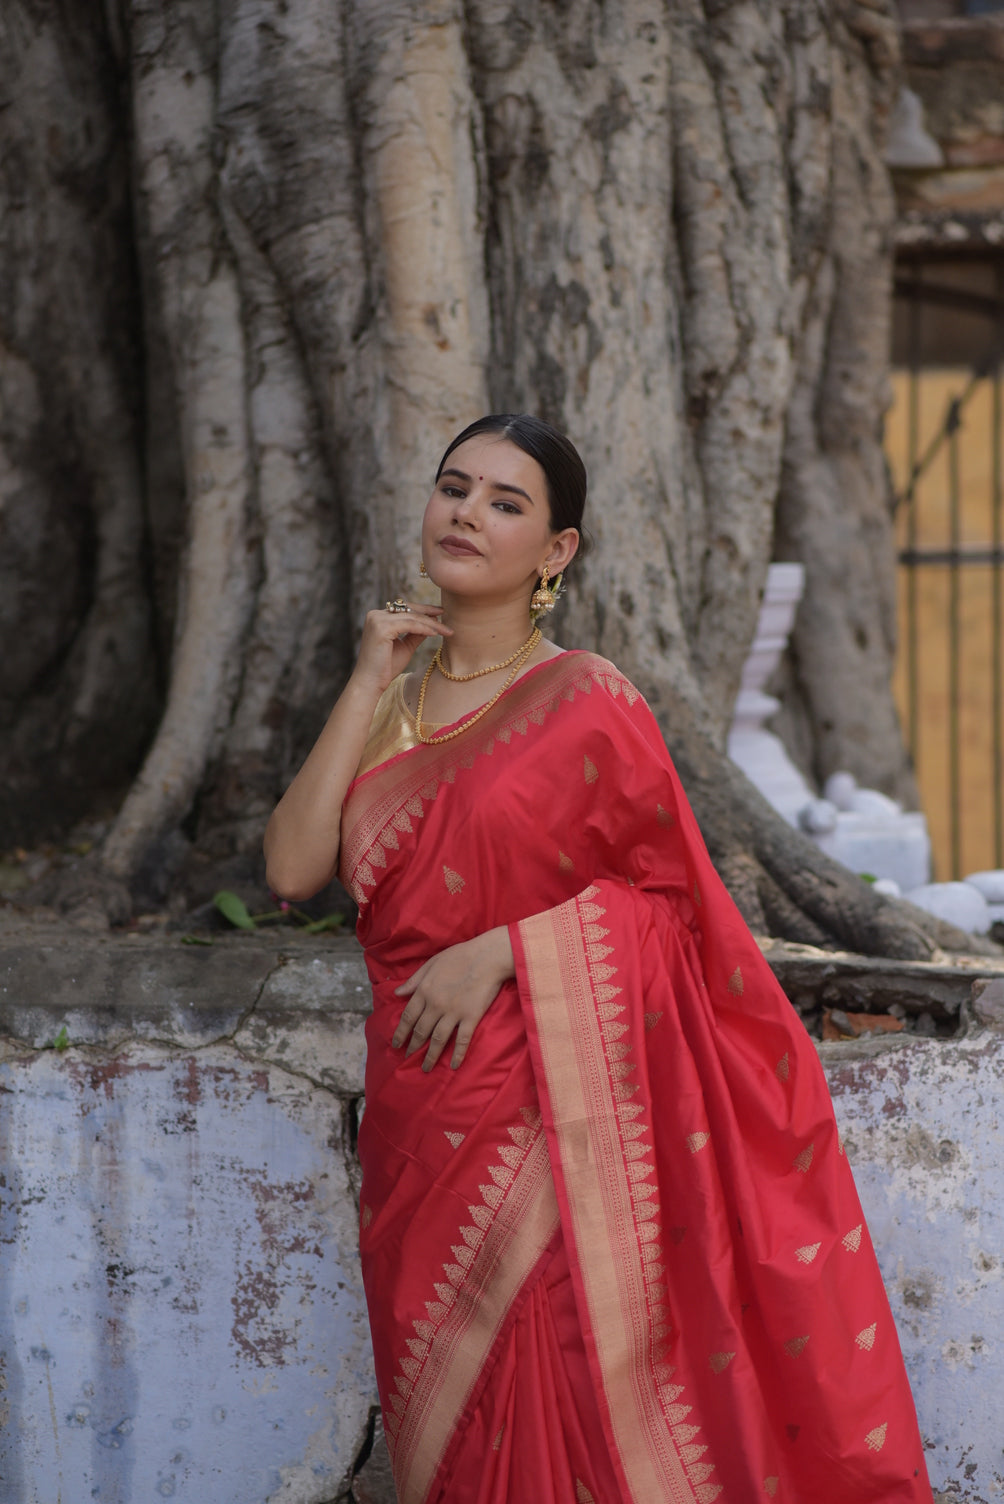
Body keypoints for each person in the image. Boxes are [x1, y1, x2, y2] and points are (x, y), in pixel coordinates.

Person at [264, 415, 933, 1504]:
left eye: (504, 502)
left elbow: (673, 909)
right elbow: (293, 869)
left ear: (556, 551)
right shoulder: (386, 708)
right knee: (456, 1420)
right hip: (420, 1122)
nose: (467, 512)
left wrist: (507, 948)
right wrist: (360, 680)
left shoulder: (586, 700)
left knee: (567, 1386)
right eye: (453, 488)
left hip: (556, 1111)